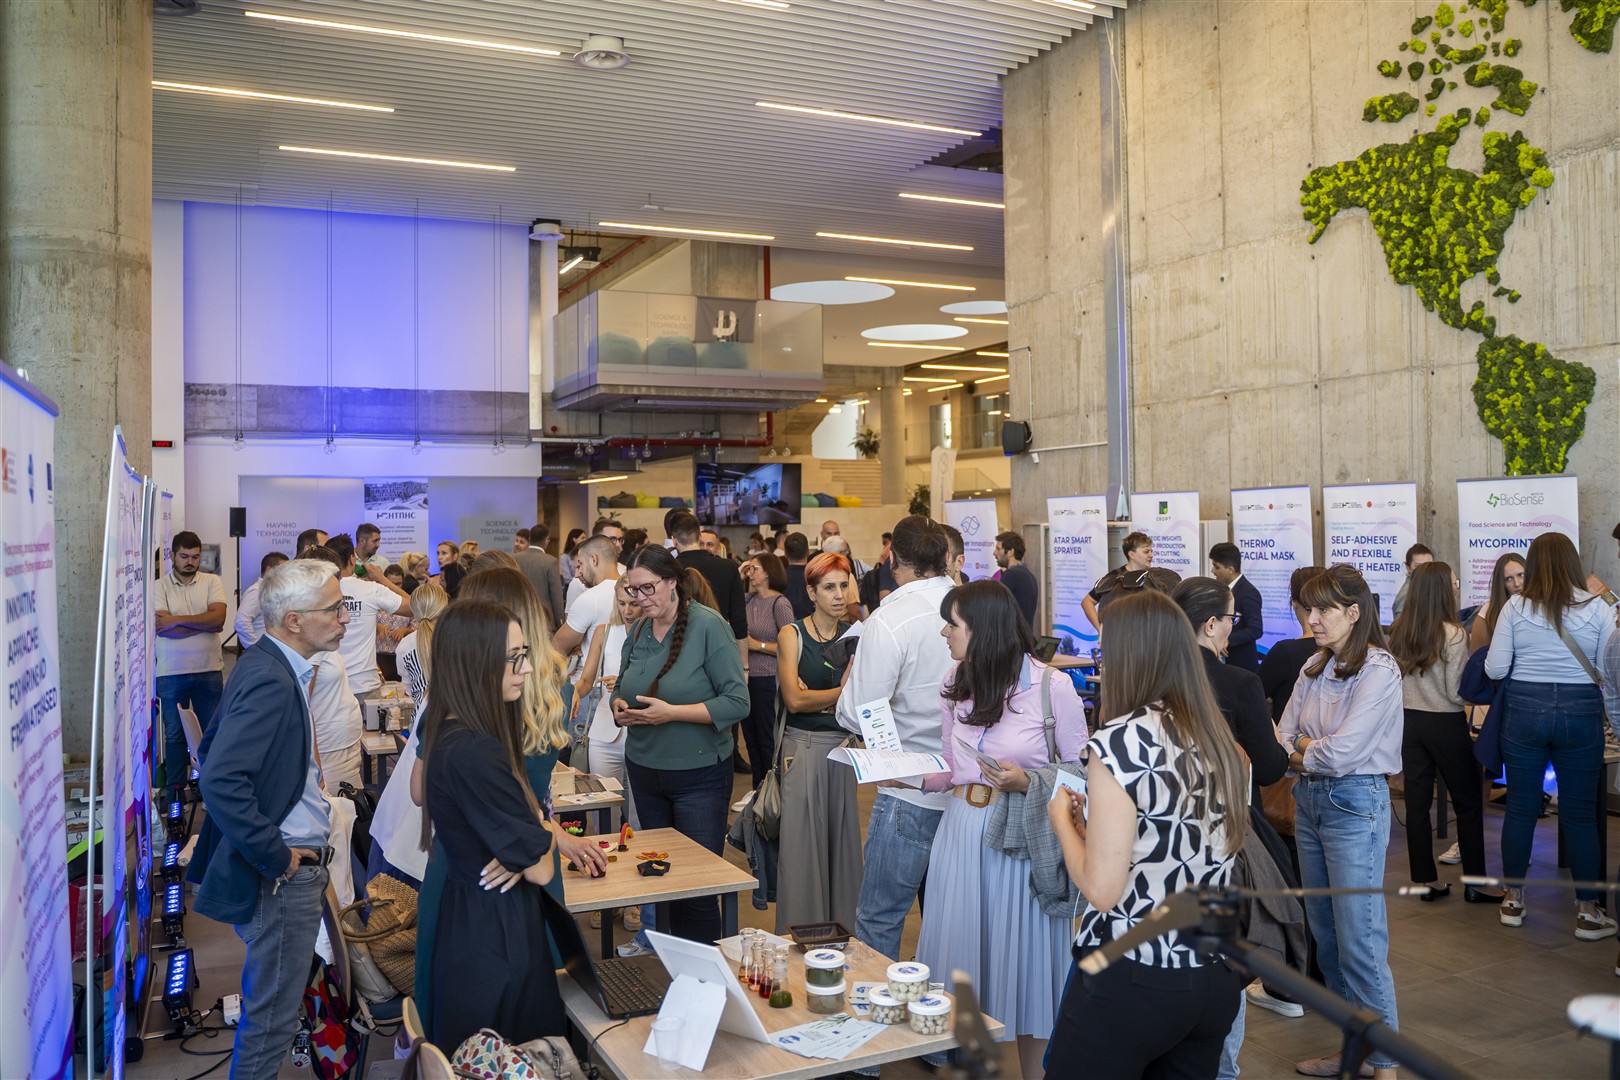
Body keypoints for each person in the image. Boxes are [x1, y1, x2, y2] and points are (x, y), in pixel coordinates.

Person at [1044, 590, 1250, 1079]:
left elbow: (1102, 890)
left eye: (1104, 653)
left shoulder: (1119, 742)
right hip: (1212, 973)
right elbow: (1178, 838)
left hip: (1135, 972)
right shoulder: (1221, 740)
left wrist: (1062, 824)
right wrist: (1095, 832)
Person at [916, 580, 1088, 1078]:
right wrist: (900, 773)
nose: (945, 633)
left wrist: (1026, 781)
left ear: (983, 630)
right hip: (962, 834)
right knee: (964, 966)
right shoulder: (955, 680)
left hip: (1024, 841)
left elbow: (1082, 773)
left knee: (1029, 968)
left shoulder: (1052, 687)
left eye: (953, 624)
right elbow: (951, 768)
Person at [188, 560, 350, 1080]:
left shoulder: (266, 663)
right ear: (294, 621)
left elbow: (211, 749)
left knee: (274, 1009)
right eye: (335, 609)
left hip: (285, 871)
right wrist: (275, 854)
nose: (346, 617)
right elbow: (220, 778)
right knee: (273, 1021)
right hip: (283, 878)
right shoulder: (272, 679)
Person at [418, 599, 564, 1052]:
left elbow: (531, 840)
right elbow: (541, 868)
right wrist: (536, 839)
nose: (526, 669)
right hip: (494, 939)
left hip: (476, 925)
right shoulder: (475, 752)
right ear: (476, 662)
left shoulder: (451, 733)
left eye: (525, 654)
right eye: (514, 658)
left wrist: (530, 836)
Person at [1277, 564, 1402, 1078]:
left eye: (1323, 609)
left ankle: (1387, 1063)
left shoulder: (1380, 669)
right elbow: (1281, 734)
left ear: (1354, 612)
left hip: (1355, 805)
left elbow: (1344, 753)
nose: (1313, 618)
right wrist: (1307, 749)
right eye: (1309, 608)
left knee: (1360, 941)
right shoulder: (1314, 664)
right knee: (1326, 939)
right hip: (1307, 802)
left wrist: (1304, 748)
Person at [613, 545, 750, 941]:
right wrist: (618, 705)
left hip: (699, 776)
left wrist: (672, 713)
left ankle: (703, 966)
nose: (640, 599)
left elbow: (737, 701)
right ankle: (672, 961)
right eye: (633, 590)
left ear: (672, 582)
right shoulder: (639, 630)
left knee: (698, 888)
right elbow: (621, 685)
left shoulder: (708, 626)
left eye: (648, 588)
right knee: (663, 884)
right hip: (645, 771)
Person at [835, 515, 956, 961]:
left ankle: (878, 1005)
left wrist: (849, 680)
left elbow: (857, 712)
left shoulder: (889, 620)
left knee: (879, 920)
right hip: (970, 790)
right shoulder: (975, 605)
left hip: (908, 789)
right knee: (952, 923)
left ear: (892, 560)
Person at [1486, 531, 1615, 940]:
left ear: (1535, 565)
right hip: (1581, 711)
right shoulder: (1598, 608)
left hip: (1524, 710)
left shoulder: (1515, 607)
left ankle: (1512, 900)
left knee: (1521, 809)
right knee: (1580, 815)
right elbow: (1606, 670)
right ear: (1573, 562)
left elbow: (1494, 669)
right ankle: (1588, 912)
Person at [1388, 561, 1501, 904]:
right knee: (1467, 802)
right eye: (1454, 583)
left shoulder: (1400, 629)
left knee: (1417, 805)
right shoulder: (1453, 634)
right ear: (1442, 590)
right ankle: (1475, 883)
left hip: (1409, 722)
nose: (1457, 588)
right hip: (1445, 723)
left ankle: (1426, 881)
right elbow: (1456, 693)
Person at [775, 552, 862, 935]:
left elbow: (864, 700)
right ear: (811, 592)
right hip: (803, 748)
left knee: (843, 851)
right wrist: (840, 693)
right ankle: (803, 941)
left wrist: (824, 697)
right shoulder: (791, 634)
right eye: (829, 587)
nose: (839, 595)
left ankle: (844, 940)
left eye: (844, 585)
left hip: (844, 750)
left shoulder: (856, 635)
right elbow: (794, 700)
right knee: (802, 854)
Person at [1172, 577, 1289, 808]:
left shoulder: (1150, 675)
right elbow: (1268, 770)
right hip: (1226, 813)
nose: (1232, 626)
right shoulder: (1241, 683)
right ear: (1211, 625)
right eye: (1231, 618)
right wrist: (1278, 739)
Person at [577, 580, 649, 938]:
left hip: (640, 733)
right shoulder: (604, 631)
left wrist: (622, 683)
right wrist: (572, 694)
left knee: (637, 820)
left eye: (633, 603)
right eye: (622, 602)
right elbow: (586, 678)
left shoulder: (653, 632)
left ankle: (636, 898)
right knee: (600, 818)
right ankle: (606, 895)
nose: (627, 609)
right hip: (604, 734)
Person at [155, 530, 228, 792]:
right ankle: (175, 793)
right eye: (184, 556)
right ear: (172, 555)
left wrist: (175, 620)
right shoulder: (159, 586)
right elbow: (162, 628)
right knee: (175, 736)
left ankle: (209, 790)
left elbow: (218, 620)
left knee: (211, 733)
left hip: (209, 669)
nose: (190, 562)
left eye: (195, 557)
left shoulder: (212, 581)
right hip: (170, 672)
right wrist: (203, 623)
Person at [327, 533, 411, 700]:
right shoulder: (370, 589)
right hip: (364, 684)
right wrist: (381, 579)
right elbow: (413, 607)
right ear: (352, 559)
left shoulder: (319, 590)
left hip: (329, 685)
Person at [740, 552, 796, 788]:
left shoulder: (779, 603)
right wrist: (738, 575)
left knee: (767, 740)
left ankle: (773, 790)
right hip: (745, 678)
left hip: (768, 679)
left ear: (769, 572)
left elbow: (792, 645)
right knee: (750, 740)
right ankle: (758, 790)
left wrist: (759, 646)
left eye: (755, 569)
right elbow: (725, 602)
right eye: (748, 569)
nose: (750, 573)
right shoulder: (747, 600)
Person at [671, 510, 749, 663]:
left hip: (678, 652)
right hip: (719, 649)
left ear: (674, 540)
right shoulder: (728, 567)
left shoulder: (668, 570)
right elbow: (739, 620)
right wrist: (744, 665)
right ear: (699, 537)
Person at [1258, 566, 1327, 722]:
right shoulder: (1347, 649)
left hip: (1286, 735)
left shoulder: (1286, 652)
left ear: (1294, 603)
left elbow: (1252, 698)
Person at [552, 534, 622, 665]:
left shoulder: (590, 599)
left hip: (591, 676)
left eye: (581, 565)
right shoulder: (633, 590)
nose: (577, 574)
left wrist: (573, 647)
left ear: (594, 560)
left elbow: (557, 648)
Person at [1209, 541, 1264, 672]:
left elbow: (1255, 629)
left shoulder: (1248, 593)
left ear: (1230, 569)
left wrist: (1228, 639)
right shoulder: (1219, 590)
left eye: (1216, 567)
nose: (1212, 571)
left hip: (1240, 665)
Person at [1081, 530, 1153, 630]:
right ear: (1132, 554)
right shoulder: (1115, 577)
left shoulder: (1154, 577)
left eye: (1151, 551)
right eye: (1146, 551)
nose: (1151, 555)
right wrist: (1100, 628)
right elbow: (1087, 602)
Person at [396, 582, 447, 709]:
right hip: (457, 716)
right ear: (445, 607)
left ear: (413, 610)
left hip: (421, 716)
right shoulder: (458, 638)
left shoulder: (405, 645)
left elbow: (408, 690)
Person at [1468, 551, 1527, 652]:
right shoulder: (1488, 611)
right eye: (1509, 579)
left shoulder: (1541, 606)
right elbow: (1478, 656)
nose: (1517, 584)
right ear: (1501, 583)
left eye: (1521, 575)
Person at [515, 522, 566, 630]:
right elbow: (556, 598)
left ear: (530, 538)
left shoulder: (514, 558)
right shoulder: (550, 562)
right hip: (544, 622)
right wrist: (561, 623)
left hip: (519, 620)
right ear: (546, 540)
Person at [233, 551, 288, 649]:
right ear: (269, 569)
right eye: (282, 570)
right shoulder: (257, 591)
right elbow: (241, 621)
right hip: (264, 650)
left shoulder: (272, 591)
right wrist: (255, 648)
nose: (286, 574)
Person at [993, 531, 1038, 628]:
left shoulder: (1011, 575)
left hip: (1012, 636)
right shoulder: (1030, 576)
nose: (994, 553)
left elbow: (995, 608)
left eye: (998, 549)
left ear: (1010, 552)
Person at [1389, 543, 1434, 622]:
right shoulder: (1407, 594)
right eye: (1418, 566)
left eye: (1429, 565)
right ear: (1408, 568)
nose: (1425, 570)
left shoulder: (1430, 587)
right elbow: (1402, 627)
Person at [782, 530, 814, 618]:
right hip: (814, 624)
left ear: (785, 553)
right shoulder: (816, 578)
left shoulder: (779, 580)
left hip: (787, 625)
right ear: (808, 552)